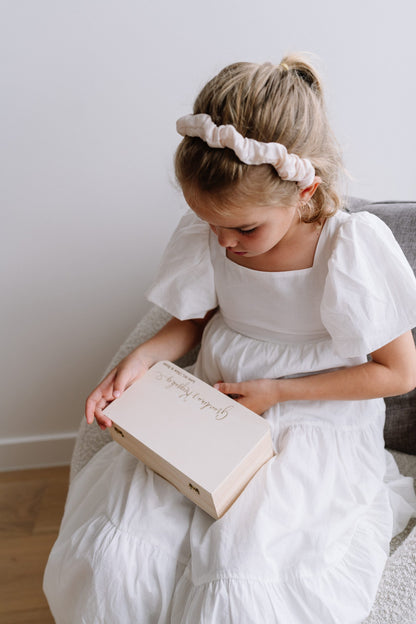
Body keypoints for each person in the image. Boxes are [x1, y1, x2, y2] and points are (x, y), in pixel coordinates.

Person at [44, 55, 416, 623]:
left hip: (310, 420)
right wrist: (138, 361)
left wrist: (276, 393)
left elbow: (397, 372)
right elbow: (190, 322)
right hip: (214, 406)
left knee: (242, 572)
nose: (225, 244)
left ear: (303, 192)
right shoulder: (213, 231)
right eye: (211, 224)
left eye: (243, 229)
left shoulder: (348, 246)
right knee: (119, 554)